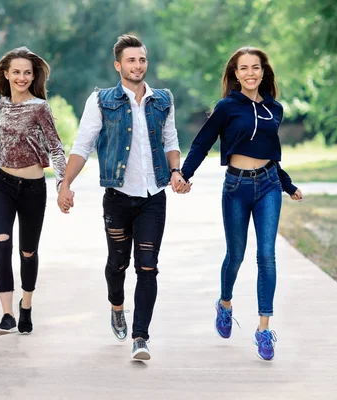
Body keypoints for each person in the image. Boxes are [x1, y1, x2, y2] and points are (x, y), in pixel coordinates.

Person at [57, 34, 186, 361]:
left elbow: (171, 141)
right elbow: (82, 145)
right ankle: (117, 306)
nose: (138, 65)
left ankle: (140, 337)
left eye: (142, 59)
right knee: (118, 263)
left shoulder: (163, 100)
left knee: (148, 267)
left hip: (153, 196)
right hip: (117, 196)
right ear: (118, 65)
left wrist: (175, 172)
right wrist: (65, 184)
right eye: (131, 60)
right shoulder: (102, 100)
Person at [181, 46, 303, 361]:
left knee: (267, 255)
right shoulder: (226, 107)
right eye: (243, 68)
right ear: (235, 74)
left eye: (256, 67)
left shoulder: (275, 108)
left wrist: (287, 186)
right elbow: (202, 142)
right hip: (236, 186)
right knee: (235, 255)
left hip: (269, 185)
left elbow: (272, 153)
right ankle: (224, 304)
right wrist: (184, 174)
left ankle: (264, 329)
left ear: (264, 72)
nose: (250, 73)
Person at [0, 47, 66, 336]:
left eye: (27, 72)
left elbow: (55, 146)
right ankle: (6, 314)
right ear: (6, 74)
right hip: (3, 184)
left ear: (33, 76)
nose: (22, 77)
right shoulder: (3, 105)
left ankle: (26, 305)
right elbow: (3, 150)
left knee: (28, 252)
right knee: (1, 242)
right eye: (16, 72)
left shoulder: (40, 107)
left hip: (33, 187)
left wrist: (61, 183)